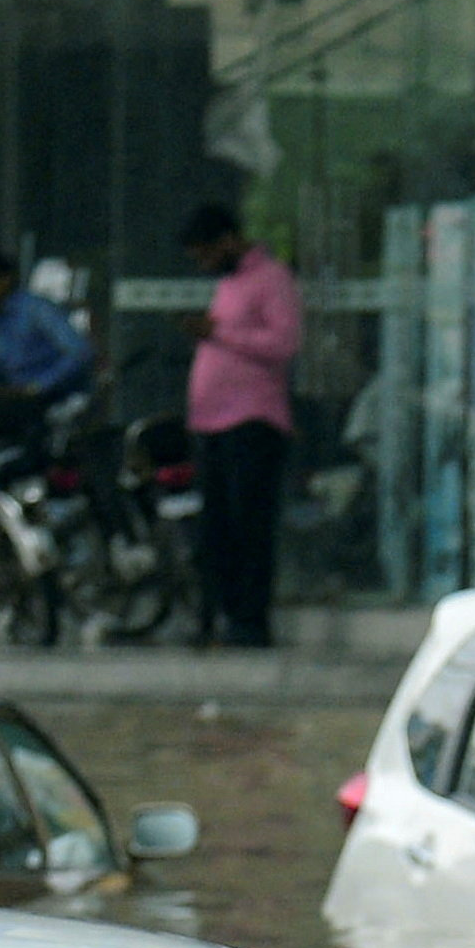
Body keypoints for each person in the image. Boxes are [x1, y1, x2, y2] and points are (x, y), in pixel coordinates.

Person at [183, 202, 300, 649]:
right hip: (211, 421)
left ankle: (252, 620)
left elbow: (283, 342)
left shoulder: (271, 279)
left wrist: (219, 335)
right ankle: (222, 613)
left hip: (252, 419)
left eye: (207, 255)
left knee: (249, 524)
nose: (205, 266)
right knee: (217, 528)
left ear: (229, 240)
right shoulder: (228, 286)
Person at [0, 246, 92, 449]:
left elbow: (80, 353)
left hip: (46, 399)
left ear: (5, 279)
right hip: (9, 403)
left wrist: (38, 386)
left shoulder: (35, 309)